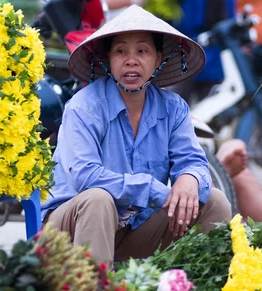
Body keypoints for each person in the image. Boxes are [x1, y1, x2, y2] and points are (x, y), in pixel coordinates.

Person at [41, 6, 232, 265]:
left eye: (142, 51)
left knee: (213, 201)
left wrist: (190, 177)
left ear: (158, 59)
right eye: (120, 51)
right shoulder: (84, 106)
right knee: (99, 199)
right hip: (71, 230)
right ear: (109, 59)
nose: (131, 60)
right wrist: (152, 188)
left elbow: (193, 161)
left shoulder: (173, 108)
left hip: (134, 228)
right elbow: (85, 176)